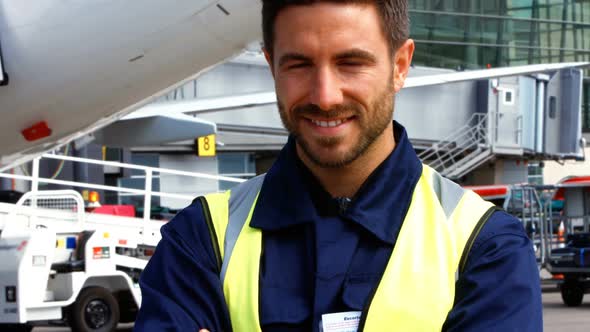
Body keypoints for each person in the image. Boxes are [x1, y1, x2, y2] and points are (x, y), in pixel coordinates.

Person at [135, 0, 543, 331]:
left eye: (351, 62)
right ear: (271, 64)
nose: (325, 96)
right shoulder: (200, 240)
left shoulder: (487, 249)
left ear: (400, 66)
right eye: (299, 65)